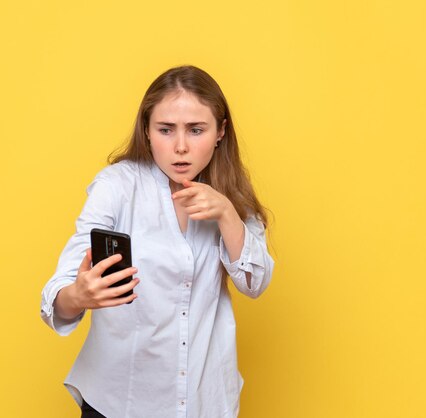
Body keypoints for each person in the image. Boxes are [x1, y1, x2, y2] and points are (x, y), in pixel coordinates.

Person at [40, 65, 274, 418]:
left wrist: (227, 214)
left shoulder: (231, 195)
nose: (180, 147)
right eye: (166, 130)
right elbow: (60, 292)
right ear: (147, 131)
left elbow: (255, 283)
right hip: (121, 401)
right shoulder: (117, 186)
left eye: (196, 130)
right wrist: (78, 295)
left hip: (203, 401)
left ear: (220, 132)